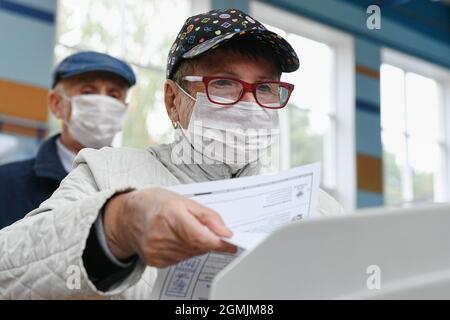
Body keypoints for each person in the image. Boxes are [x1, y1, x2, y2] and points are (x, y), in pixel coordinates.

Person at [0, 9, 343, 299]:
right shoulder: (108, 173)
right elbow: (8, 270)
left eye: (265, 88)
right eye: (223, 83)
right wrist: (116, 225)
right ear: (172, 101)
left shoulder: (315, 206)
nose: (249, 103)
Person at [0, 51, 136, 229]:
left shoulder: (135, 188)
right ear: (57, 104)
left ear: (122, 110)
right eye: (88, 92)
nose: (103, 105)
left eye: (113, 95)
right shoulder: (7, 185)